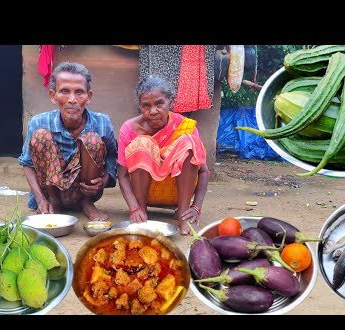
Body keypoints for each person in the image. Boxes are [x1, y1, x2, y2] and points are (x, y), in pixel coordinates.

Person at [18, 61, 118, 221]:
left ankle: (87, 203)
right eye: (64, 91)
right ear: (53, 96)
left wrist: (104, 180)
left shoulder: (102, 123)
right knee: (41, 136)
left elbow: (113, 156)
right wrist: (40, 200)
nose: (72, 99)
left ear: (88, 96)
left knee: (92, 139)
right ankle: (52, 202)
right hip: (50, 190)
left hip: (84, 191)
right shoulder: (38, 122)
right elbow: (27, 163)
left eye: (79, 92)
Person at [117, 75, 210, 235]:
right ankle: (142, 214)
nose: (153, 111)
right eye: (146, 105)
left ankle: (183, 216)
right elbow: (122, 175)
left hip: (179, 194)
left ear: (171, 102)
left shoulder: (185, 127)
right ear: (140, 107)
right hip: (144, 194)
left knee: (189, 142)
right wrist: (134, 208)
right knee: (142, 144)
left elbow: (204, 172)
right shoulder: (129, 129)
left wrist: (196, 207)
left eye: (159, 103)